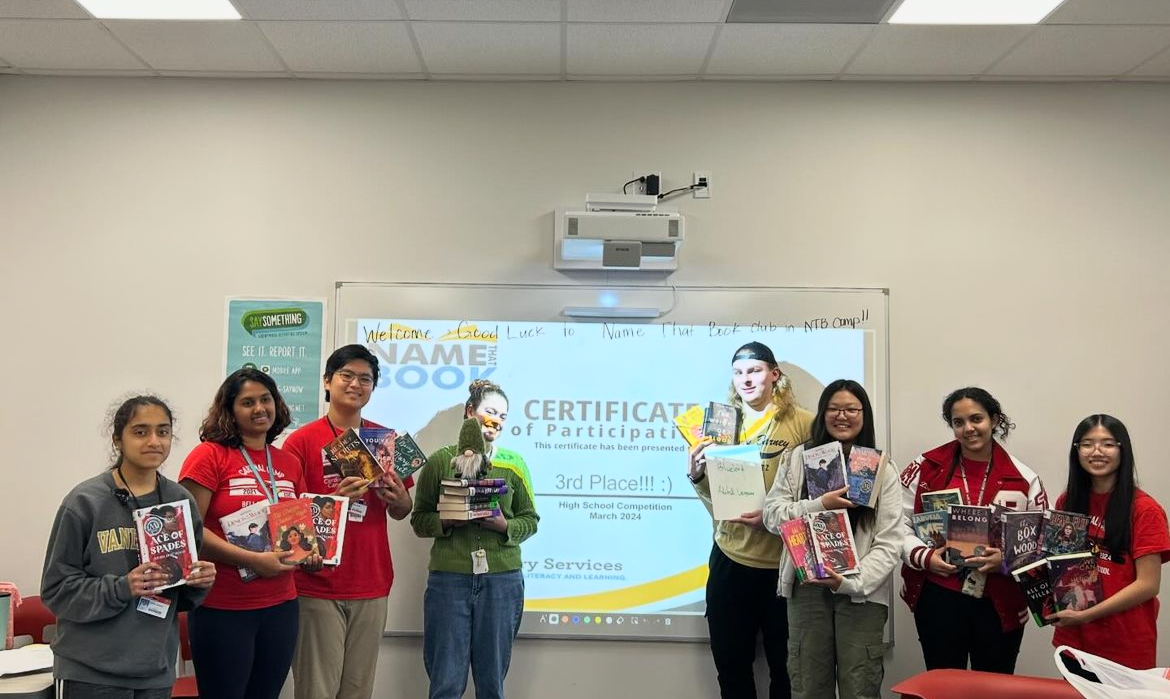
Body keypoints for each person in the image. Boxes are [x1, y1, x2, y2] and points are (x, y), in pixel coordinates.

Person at [41, 395, 216, 699]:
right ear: (117, 440)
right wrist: (123, 587)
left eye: (163, 432)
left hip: (154, 671)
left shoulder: (179, 501)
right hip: (90, 672)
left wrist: (198, 582)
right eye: (140, 431)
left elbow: (182, 597)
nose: (153, 441)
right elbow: (56, 591)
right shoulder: (84, 502)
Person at [179, 368, 321, 699]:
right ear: (229, 411)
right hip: (223, 607)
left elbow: (298, 529)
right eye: (247, 402)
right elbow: (189, 530)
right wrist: (254, 560)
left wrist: (310, 556)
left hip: (281, 606)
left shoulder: (287, 462)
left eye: (266, 399)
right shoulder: (209, 455)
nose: (259, 408)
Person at [282, 344, 413, 699]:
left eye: (365, 379)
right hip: (316, 585)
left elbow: (402, 510)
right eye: (347, 376)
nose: (356, 384)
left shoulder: (385, 441)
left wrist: (400, 498)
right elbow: (287, 520)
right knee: (316, 690)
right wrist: (335, 502)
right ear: (327, 381)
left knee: (358, 690)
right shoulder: (300, 442)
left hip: (372, 581)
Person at [688, 341, 814, 699]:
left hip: (785, 565)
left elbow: (819, 497)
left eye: (755, 370)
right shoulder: (719, 424)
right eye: (739, 372)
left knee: (787, 673)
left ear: (775, 375)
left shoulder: (804, 423)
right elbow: (716, 502)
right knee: (731, 668)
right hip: (731, 560)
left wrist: (775, 520)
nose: (746, 379)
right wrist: (696, 476)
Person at [762, 380, 903, 699]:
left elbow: (891, 540)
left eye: (852, 409)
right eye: (834, 408)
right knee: (809, 684)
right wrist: (818, 504)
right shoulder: (799, 457)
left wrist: (850, 582)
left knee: (860, 686)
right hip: (807, 587)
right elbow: (772, 515)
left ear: (864, 415)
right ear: (822, 413)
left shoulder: (882, 467)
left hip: (861, 594)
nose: (843, 415)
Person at [899, 387, 1047, 673]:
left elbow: (1041, 544)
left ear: (993, 420)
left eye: (976, 419)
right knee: (942, 686)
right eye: (958, 422)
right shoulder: (925, 467)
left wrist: (1004, 561)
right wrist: (925, 557)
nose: (968, 428)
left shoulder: (1024, 479)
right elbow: (895, 526)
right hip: (939, 596)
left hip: (998, 600)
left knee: (994, 687)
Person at [411, 380, 539, 699]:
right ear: (471, 413)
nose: (496, 421)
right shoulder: (441, 461)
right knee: (446, 682)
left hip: (502, 580)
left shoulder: (514, 463)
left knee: (492, 683)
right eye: (490, 412)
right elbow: (419, 519)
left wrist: (502, 525)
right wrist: (447, 521)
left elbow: (530, 520)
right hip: (449, 580)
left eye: (504, 416)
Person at [1049, 414, 1170, 670]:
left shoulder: (1144, 509)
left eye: (1107, 444)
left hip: (1125, 643)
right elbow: (1061, 564)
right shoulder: (1066, 502)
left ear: (1121, 450)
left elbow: (1148, 585)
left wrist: (1086, 615)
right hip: (1075, 639)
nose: (1096, 451)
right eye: (1087, 443)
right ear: (1077, 450)